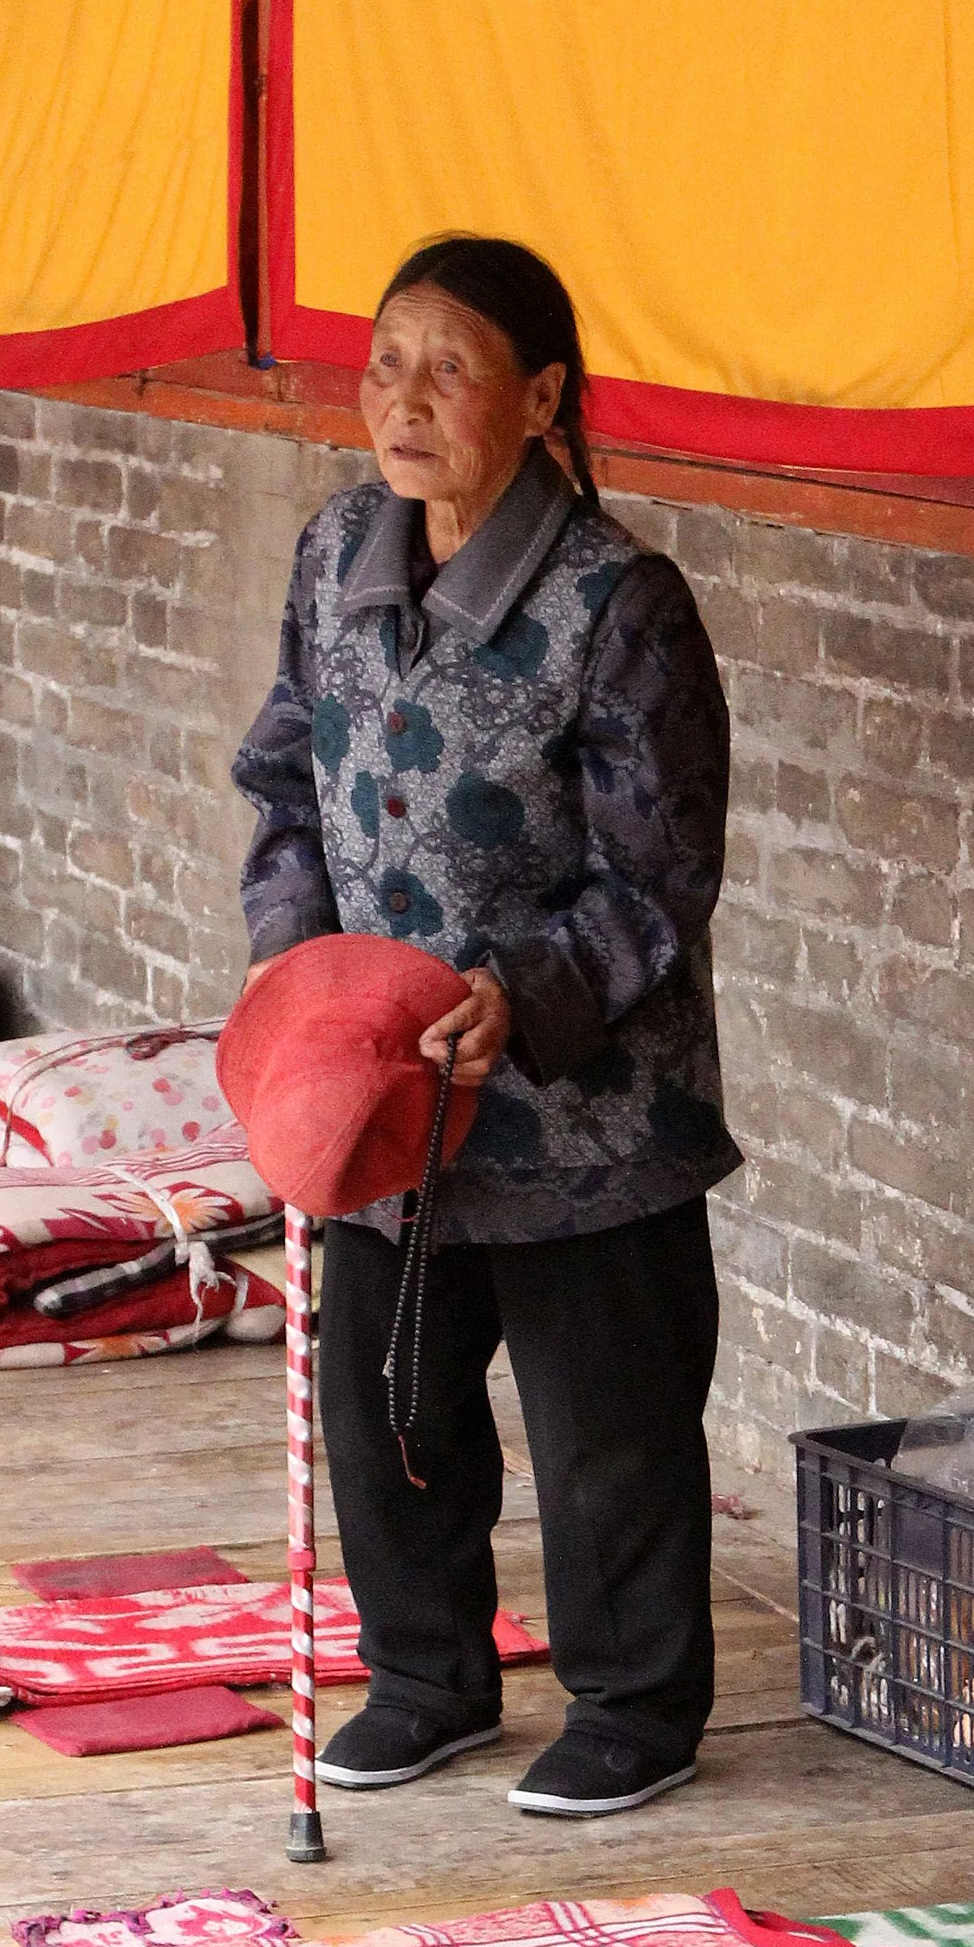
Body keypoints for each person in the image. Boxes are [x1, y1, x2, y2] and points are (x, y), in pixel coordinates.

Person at [232, 236, 737, 1818]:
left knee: (610, 1435)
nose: (406, 398)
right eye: (387, 363)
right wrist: (299, 981)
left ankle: (635, 1708)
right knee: (394, 1413)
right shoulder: (333, 559)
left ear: (542, 397)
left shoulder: (619, 605)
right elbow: (284, 789)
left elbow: (662, 873)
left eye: (449, 367)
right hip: (382, 1099)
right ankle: (429, 1676)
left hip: (580, 1114)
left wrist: (521, 999)